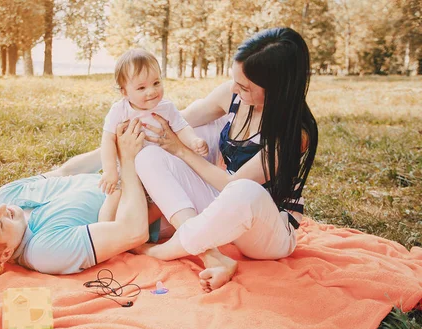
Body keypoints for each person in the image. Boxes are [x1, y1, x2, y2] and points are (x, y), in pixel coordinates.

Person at [132, 27, 318, 293]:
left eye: (244, 86)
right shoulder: (232, 96)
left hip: (268, 229)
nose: (234, 88)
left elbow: (233, 186)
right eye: (235, 80)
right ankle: (213, 256)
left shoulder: (293, 134)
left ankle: (161, 252)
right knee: (150, 155)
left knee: (244, 191)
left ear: (277, 89)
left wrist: (181, 151)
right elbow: (176, 122)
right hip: (226, 205)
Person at [0, 119, 149, 276]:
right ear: (5, 254)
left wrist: (114, 147)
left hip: (129, 163)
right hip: (154, 192)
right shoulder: (44, 251)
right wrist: (128, 160)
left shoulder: (8, 195)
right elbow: (134, 232)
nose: (0, 208)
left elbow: (65, 172)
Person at [97, 48, 209, 221]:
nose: (151, 91)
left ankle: (139, 234)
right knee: (115, 197)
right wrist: (110, 170)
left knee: (154, 207)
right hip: (127, 171)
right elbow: (108, 140)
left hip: (157, 170)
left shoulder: (166, 108)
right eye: (141, 87)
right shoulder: (120, 110)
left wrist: (193, 141)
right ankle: (103, 231)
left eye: (156, 83)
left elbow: (181, 127)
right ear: (124, 92)